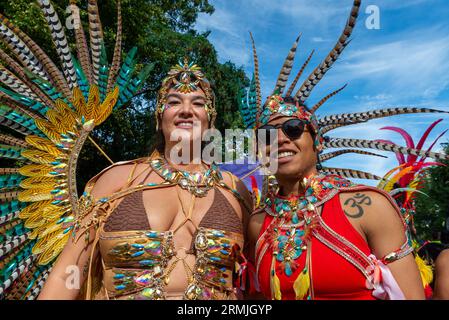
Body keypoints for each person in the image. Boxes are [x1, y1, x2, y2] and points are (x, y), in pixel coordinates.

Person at [239, 0, 448, 300]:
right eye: (267, 135)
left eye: (294, 129)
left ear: (317, 142)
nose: (281, 140)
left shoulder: (368, 206)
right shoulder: (257, 222)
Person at [37, 59, 252, 300]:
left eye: (198, 103)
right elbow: (69, 273)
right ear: (159, 118)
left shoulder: (235, 190)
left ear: (210, 120)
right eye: (173, 102)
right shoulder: (117, 181)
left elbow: (258, 278)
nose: (186, 110)